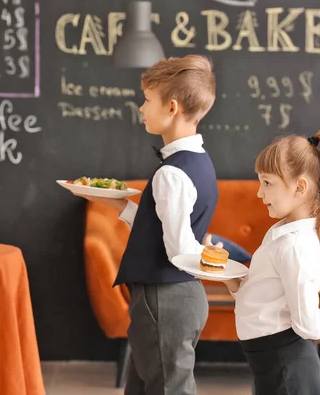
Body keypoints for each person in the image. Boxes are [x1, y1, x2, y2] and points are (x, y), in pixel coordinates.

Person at [75, 55, 218, 394]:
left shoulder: (171, 174)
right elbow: (164, 227)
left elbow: (178, 249)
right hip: (177, 297)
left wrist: (209, 256)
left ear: (171, 107)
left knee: (169, 389)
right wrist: (120, 205)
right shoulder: (199, 161)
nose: (141, 108)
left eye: (147, 100)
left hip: (163, 299)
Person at [223, 123, 320, 395]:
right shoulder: (281, 234)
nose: (259, 192)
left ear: (299, 187)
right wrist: (234, 282)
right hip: (271, 361)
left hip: (286, 365)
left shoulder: (294, 246)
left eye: (267, 182)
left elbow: (308, 325)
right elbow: (268, 297)